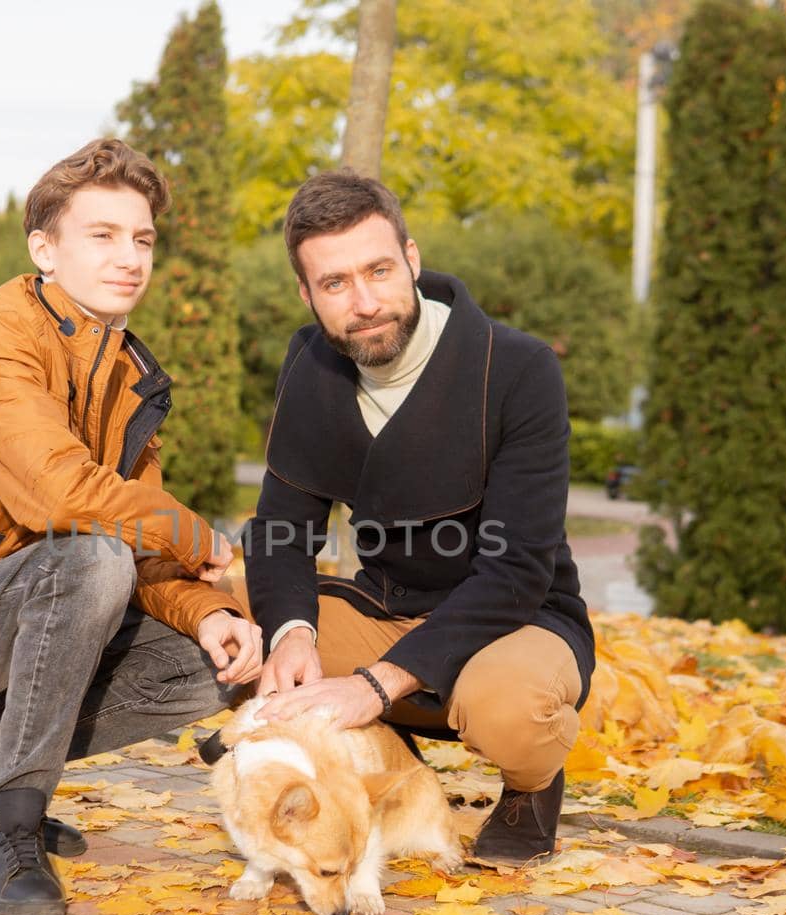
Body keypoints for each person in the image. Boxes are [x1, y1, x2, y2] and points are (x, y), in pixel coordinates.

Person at [0, 139, 261, 915]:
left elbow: (150, 555)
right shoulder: (1, 331)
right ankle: (7, 823)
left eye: (142, 239)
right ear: (46, 248)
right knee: (92, 557)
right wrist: (198, 535)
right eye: (101, 235)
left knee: (223, 664)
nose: (129, 257)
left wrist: (213, 614)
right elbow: (53, 493)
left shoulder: (129, 376)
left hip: (32, 611)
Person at [233, 170, 594, 865]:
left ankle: (532, 783)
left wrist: (376, 683)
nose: (365, 302)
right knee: (232, 621)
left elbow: (518, 568)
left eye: (379, 270)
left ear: (413, 259)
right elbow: (281, 533)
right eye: (335, 283)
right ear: (307, 295)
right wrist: (292, 634)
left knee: (511, 709)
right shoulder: (310, 365)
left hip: (516, 619)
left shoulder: (516, 368)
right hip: (385, 608)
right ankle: (395, 777)